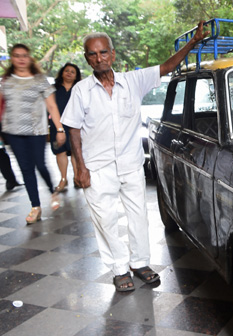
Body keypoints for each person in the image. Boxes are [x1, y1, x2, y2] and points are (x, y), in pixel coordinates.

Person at [61, 21, 209, 292]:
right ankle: (119, 268)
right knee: (105, 219)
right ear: (87, 59)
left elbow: (166, 67)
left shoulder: (133, 81)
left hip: (130, 164)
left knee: (138, 214)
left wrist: (193, 43)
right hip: (97, 167)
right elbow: (73, 131)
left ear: (113, 54)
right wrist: (79, 168)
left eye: (103, 52)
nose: (99, 58)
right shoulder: (81, 91)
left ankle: (140, 263)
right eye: (92, 54)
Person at [0, 44, 66, 224]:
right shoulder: (6, 81)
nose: (21, 59)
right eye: (16, 55)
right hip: (12, 132)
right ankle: (35, 206)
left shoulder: (39, 80)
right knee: (26, 169)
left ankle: (53, 191)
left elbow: (52, 106)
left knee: (40, 164)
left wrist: (59, 129)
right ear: (12, 58)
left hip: (36, 131)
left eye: (24, 55)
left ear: (30, 58)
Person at [50, 63, 82, 192]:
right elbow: (49, 107)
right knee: (60, 152)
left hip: (75, 125)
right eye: (66, 71)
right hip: (57, 126)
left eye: (72, 72)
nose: (69, 73)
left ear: (76, 76)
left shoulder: (79, 89)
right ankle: (63, 179)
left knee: (75, 151)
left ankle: (77, 177)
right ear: (62, 73)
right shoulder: (53, 89)